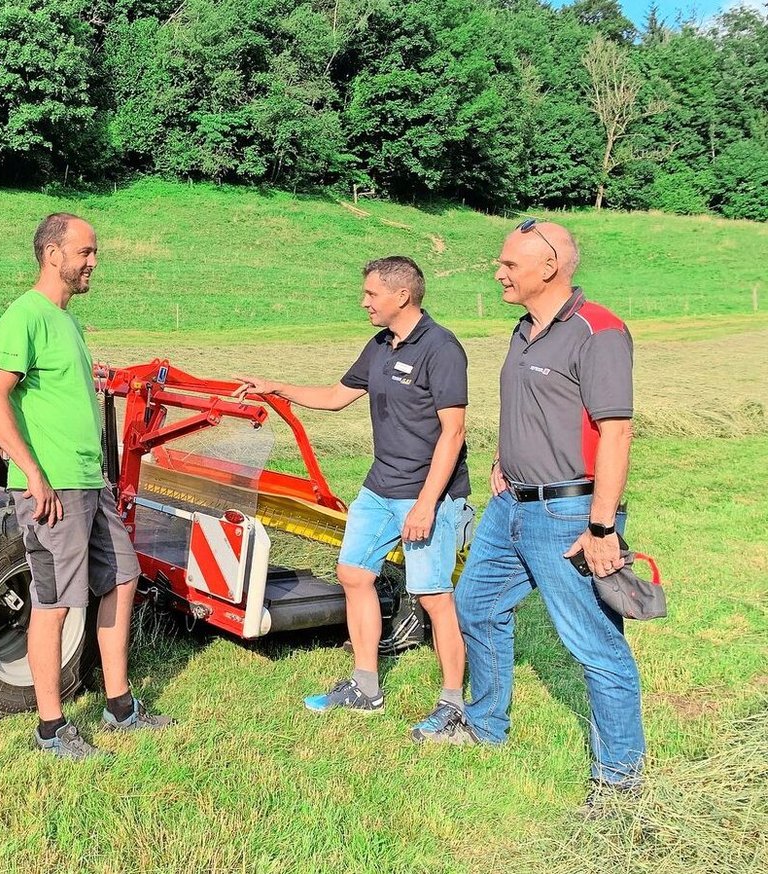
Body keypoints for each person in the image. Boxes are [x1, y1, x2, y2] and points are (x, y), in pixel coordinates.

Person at [235, 256, 474, 743]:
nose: (364, 301)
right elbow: (336, 395)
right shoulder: (381, 344)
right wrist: (277, 387)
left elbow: (454, 433)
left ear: (401, 295)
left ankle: (453, 704)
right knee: (353, 574)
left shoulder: (442, 348)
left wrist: (426, 503)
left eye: (371, 293)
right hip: (379, 487)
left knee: (433, 595)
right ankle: (366, 687)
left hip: (426, 492)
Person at [455, 220, 644, 804]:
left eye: (509, 264)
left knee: (595, 645)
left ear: (550, 267)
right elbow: (530, 407)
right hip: (510, 504)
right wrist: (503, 457)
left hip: (570, 513)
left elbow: (616, 433)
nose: (498, 273)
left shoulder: (599, 331)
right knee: (476, 605)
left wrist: (601, 526)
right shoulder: (523, 330)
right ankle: (485, 726)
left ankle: (619, 781)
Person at [0, 212, 171, 759]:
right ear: (52, 254)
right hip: (54, 487)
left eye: (94, 252)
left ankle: (120, 705)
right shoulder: (25, 315)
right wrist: (34, 474)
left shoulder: (67, 322)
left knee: (124, 578)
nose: (93, 262)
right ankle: (51, 727)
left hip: (89, 481)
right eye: (85, 252)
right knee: (55, 602)